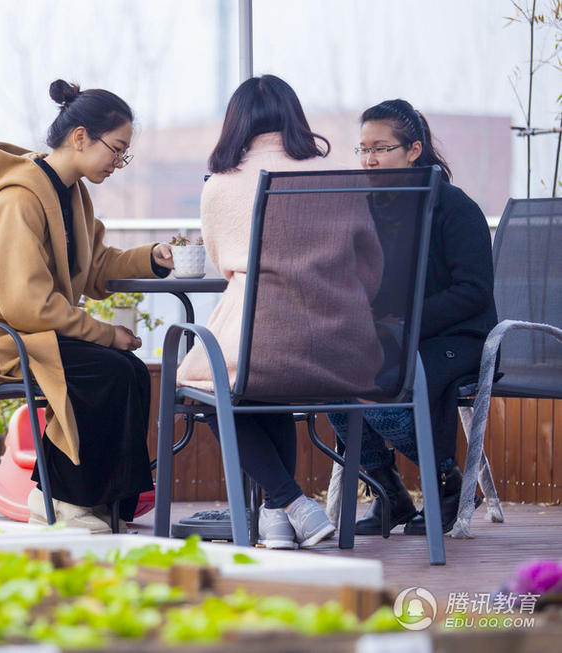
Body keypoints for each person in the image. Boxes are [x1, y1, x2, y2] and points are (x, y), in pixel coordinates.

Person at [0, 79, 174, 533]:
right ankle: (61, 499)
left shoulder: (72, 195)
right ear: (80, 137)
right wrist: (105, 333)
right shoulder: (18, 199)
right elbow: (26, 304)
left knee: (131, 369)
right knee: (107, 367)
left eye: (125, 153)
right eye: (116, 149)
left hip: (26, 332)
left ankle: (94, 501)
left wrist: (153, 257)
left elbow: (95, 266)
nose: (119, 162)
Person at [175, 74, 384, 548]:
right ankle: (279, 516)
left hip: (263, 338)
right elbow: (371, 267)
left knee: (204, 385)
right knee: (261, 391)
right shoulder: (338, 176)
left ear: (237, 124)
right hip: (343, 347)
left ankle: (293, 502)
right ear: (295, 118)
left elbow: (221, 257)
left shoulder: (222, 186)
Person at [327, 99, 497, 536]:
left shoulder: (455, 208)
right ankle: (390, 494)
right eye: (363, 149)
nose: (369, 159)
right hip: (391, 335)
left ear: (414, 149)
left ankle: (446, 484)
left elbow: (474, 293)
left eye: (380, 148)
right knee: (328, 376)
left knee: (389, 381)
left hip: (459, 336)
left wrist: (404, 323)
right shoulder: (366, 206)